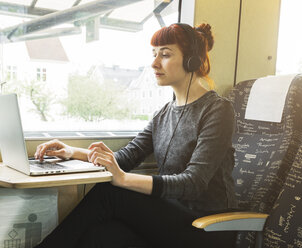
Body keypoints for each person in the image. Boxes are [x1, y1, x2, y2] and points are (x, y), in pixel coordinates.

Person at [34, 23, 237, 248]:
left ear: (192, 60)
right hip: (171, 217)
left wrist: (122, 179)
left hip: (207, 227)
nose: (154, 63)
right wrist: (72, 152)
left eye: (165, 54)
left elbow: (193, 183)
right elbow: (125, 158)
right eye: (154, 54)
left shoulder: (218, 110)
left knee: (110, 192)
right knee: (99, 236)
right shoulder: (163, 114)